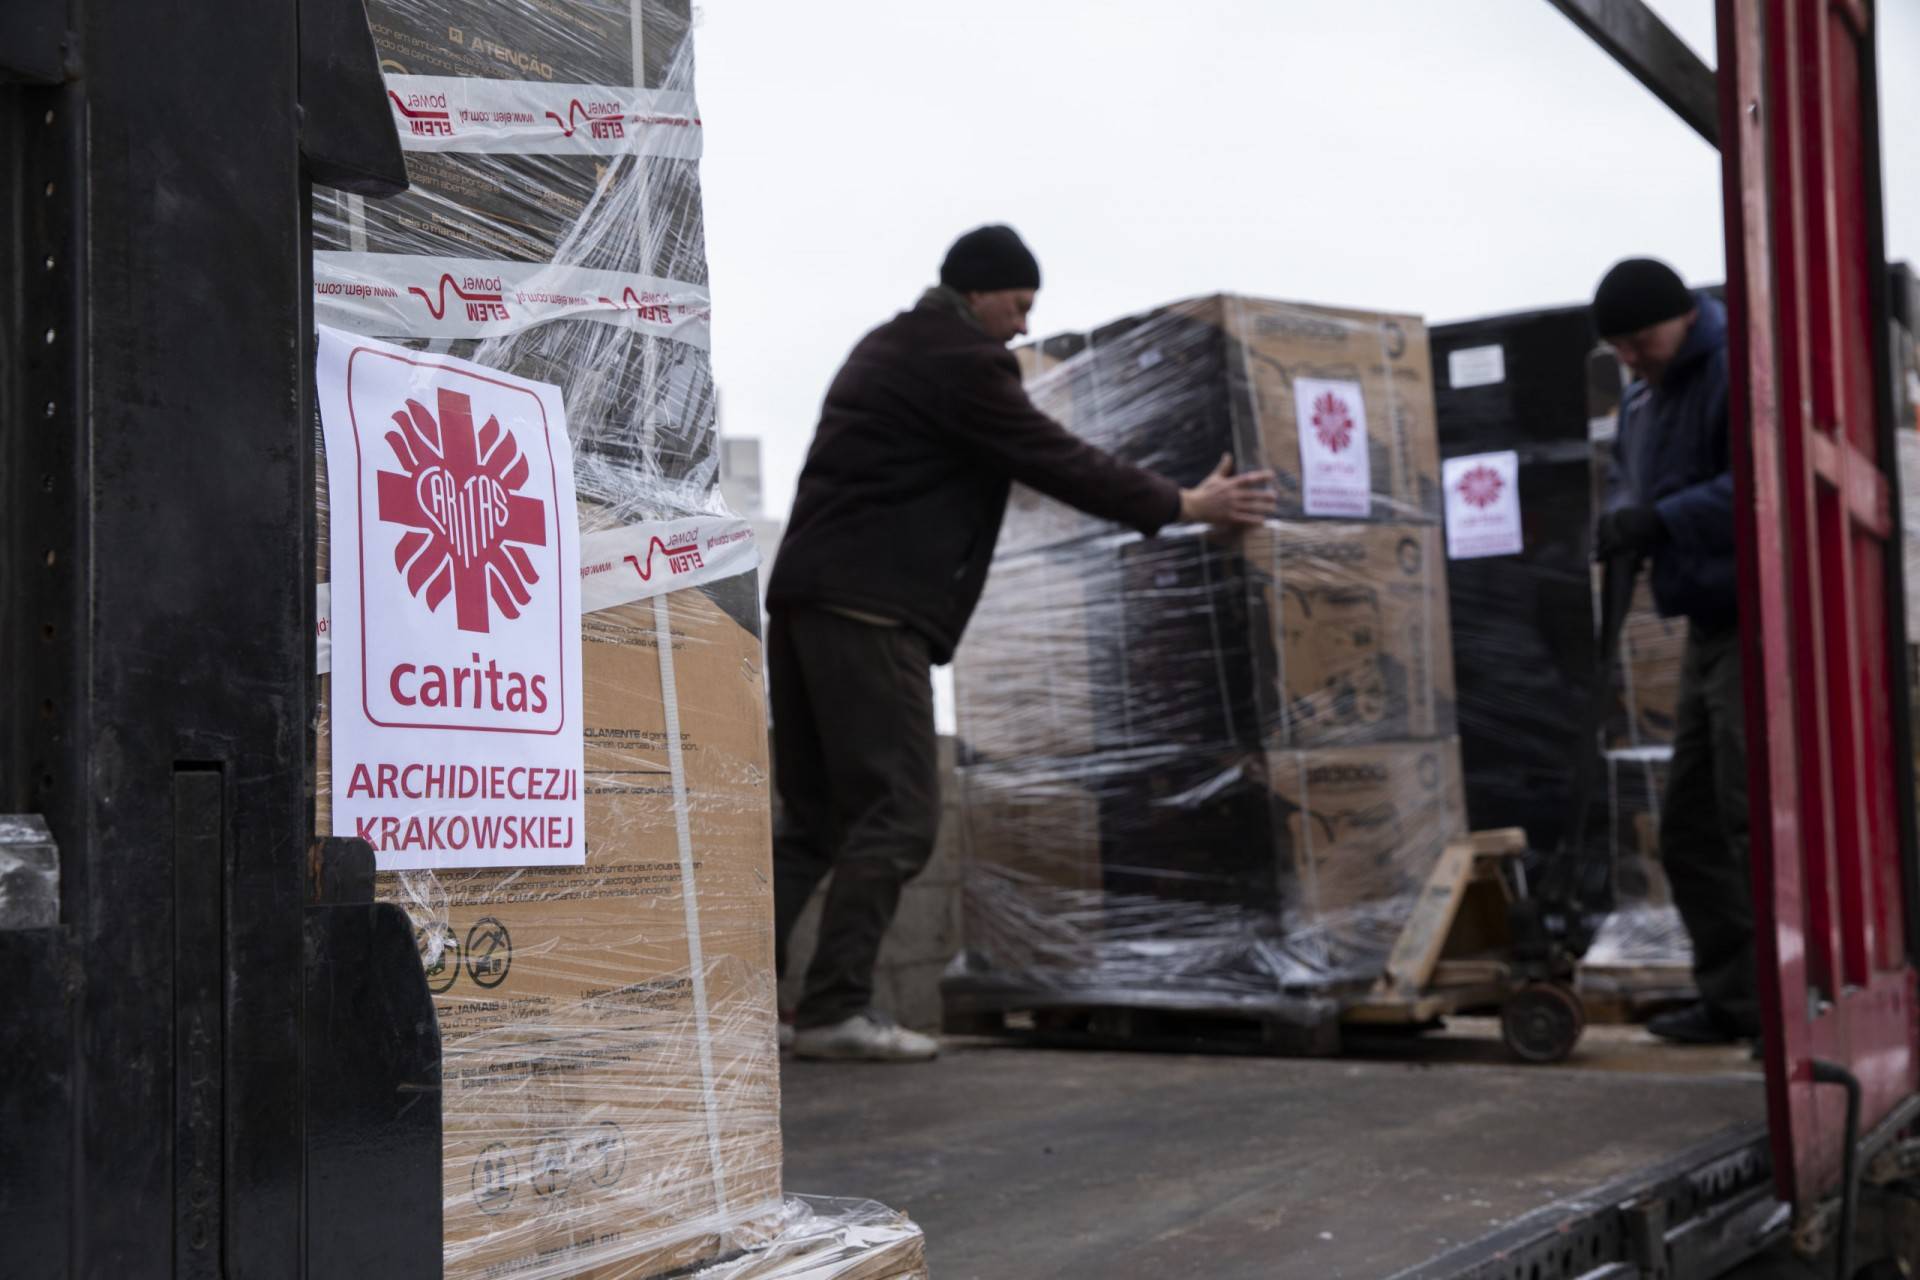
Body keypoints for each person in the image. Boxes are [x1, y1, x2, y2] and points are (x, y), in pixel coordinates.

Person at [765, 225, 1276, 1060]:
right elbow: (1055, 458)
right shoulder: (960, 361)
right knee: (898, 817)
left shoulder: (891, 347)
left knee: (815, 824)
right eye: (1018, 304)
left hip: (804, 602)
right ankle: (833, 1010)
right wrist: (1185, 505)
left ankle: (731, 1007)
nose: (1025, 327)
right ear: (977, 292)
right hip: (870, 611)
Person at [1591, 257, 1756, 1045]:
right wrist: (1621, 523)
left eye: (1638, 339)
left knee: (1748, 813)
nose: (1630, 355)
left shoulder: (1734, 368)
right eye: (1617, 346)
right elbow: (1632, 488)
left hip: (1758, 617)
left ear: (1683, 313)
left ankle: (1793, 1008)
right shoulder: (1643, 397)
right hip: (1704, 623)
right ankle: (1736, 1000)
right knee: (1688, 822)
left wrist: (1660, 519)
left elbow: (1758, 485)